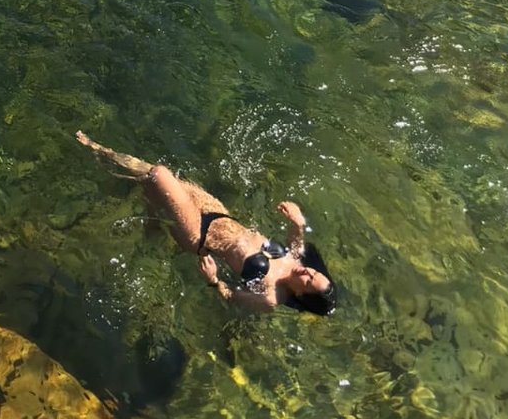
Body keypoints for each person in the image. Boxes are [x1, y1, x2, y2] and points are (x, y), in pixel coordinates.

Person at [76, 131, 337, 316]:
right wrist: (297, 221)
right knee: (148, 181)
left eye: (307, 281)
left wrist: (213, 280)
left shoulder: (272, 297)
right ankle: (146, 213)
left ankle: (95, 150)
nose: (307, 273)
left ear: (301, 296)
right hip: (218, 214)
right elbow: (296, 242)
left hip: (199, 236)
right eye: (313, 273)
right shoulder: (296, 260)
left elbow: (232, 297)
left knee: (157, 175)